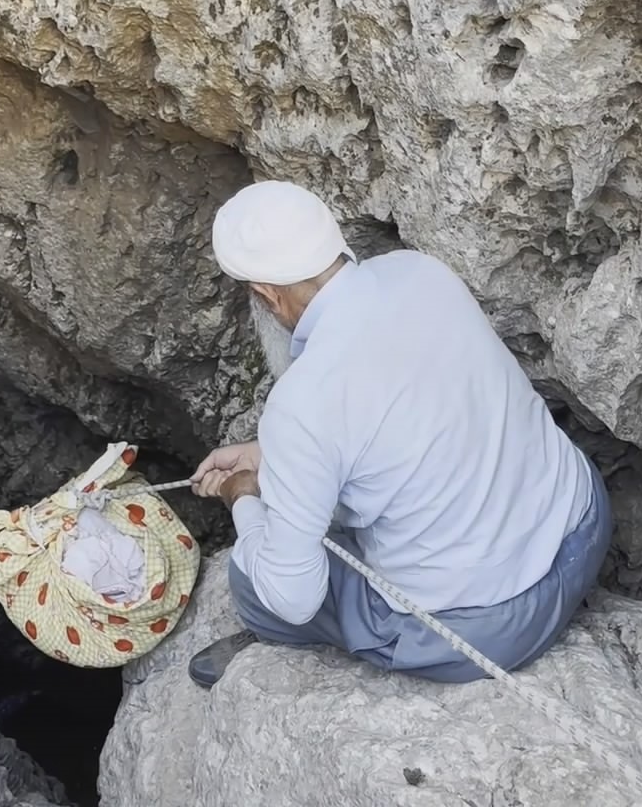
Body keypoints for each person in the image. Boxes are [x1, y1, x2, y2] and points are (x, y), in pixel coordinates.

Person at [186, 179, 612, 688]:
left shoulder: (304, 402)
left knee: (254, 582)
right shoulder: (420, 272)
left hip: (489, 629)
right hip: (583, 530)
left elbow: (294, 598)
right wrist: (268, 453)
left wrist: (245, 497)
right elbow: (413, 414)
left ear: (266, 295)